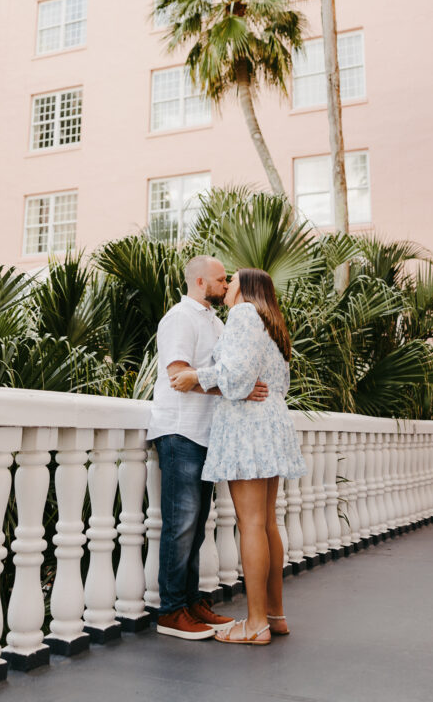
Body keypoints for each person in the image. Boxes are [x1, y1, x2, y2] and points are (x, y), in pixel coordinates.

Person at [171, 267, 306, 646]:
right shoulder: (273, 324)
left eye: (232, 282)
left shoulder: (244, 314)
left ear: (246, 289)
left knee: (250, 525)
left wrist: (195, 376)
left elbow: (238, 376)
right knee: (266, 525)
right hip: (272, 423)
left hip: (249, 425)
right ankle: (275, 617)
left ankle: (256, 623)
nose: (226, 287)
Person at [147, 255, 269, 641]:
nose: (227, 282)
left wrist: (238, 384)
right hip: (180, 431)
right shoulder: (179, 319)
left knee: (198, 525)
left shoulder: (217, 321)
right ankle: (171, 612)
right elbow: (178, 375)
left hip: (207, 434)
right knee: (181, 524)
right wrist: (237, 389)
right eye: (221, 279)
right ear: (200, 282)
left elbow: (225, 371)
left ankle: (190, 601)